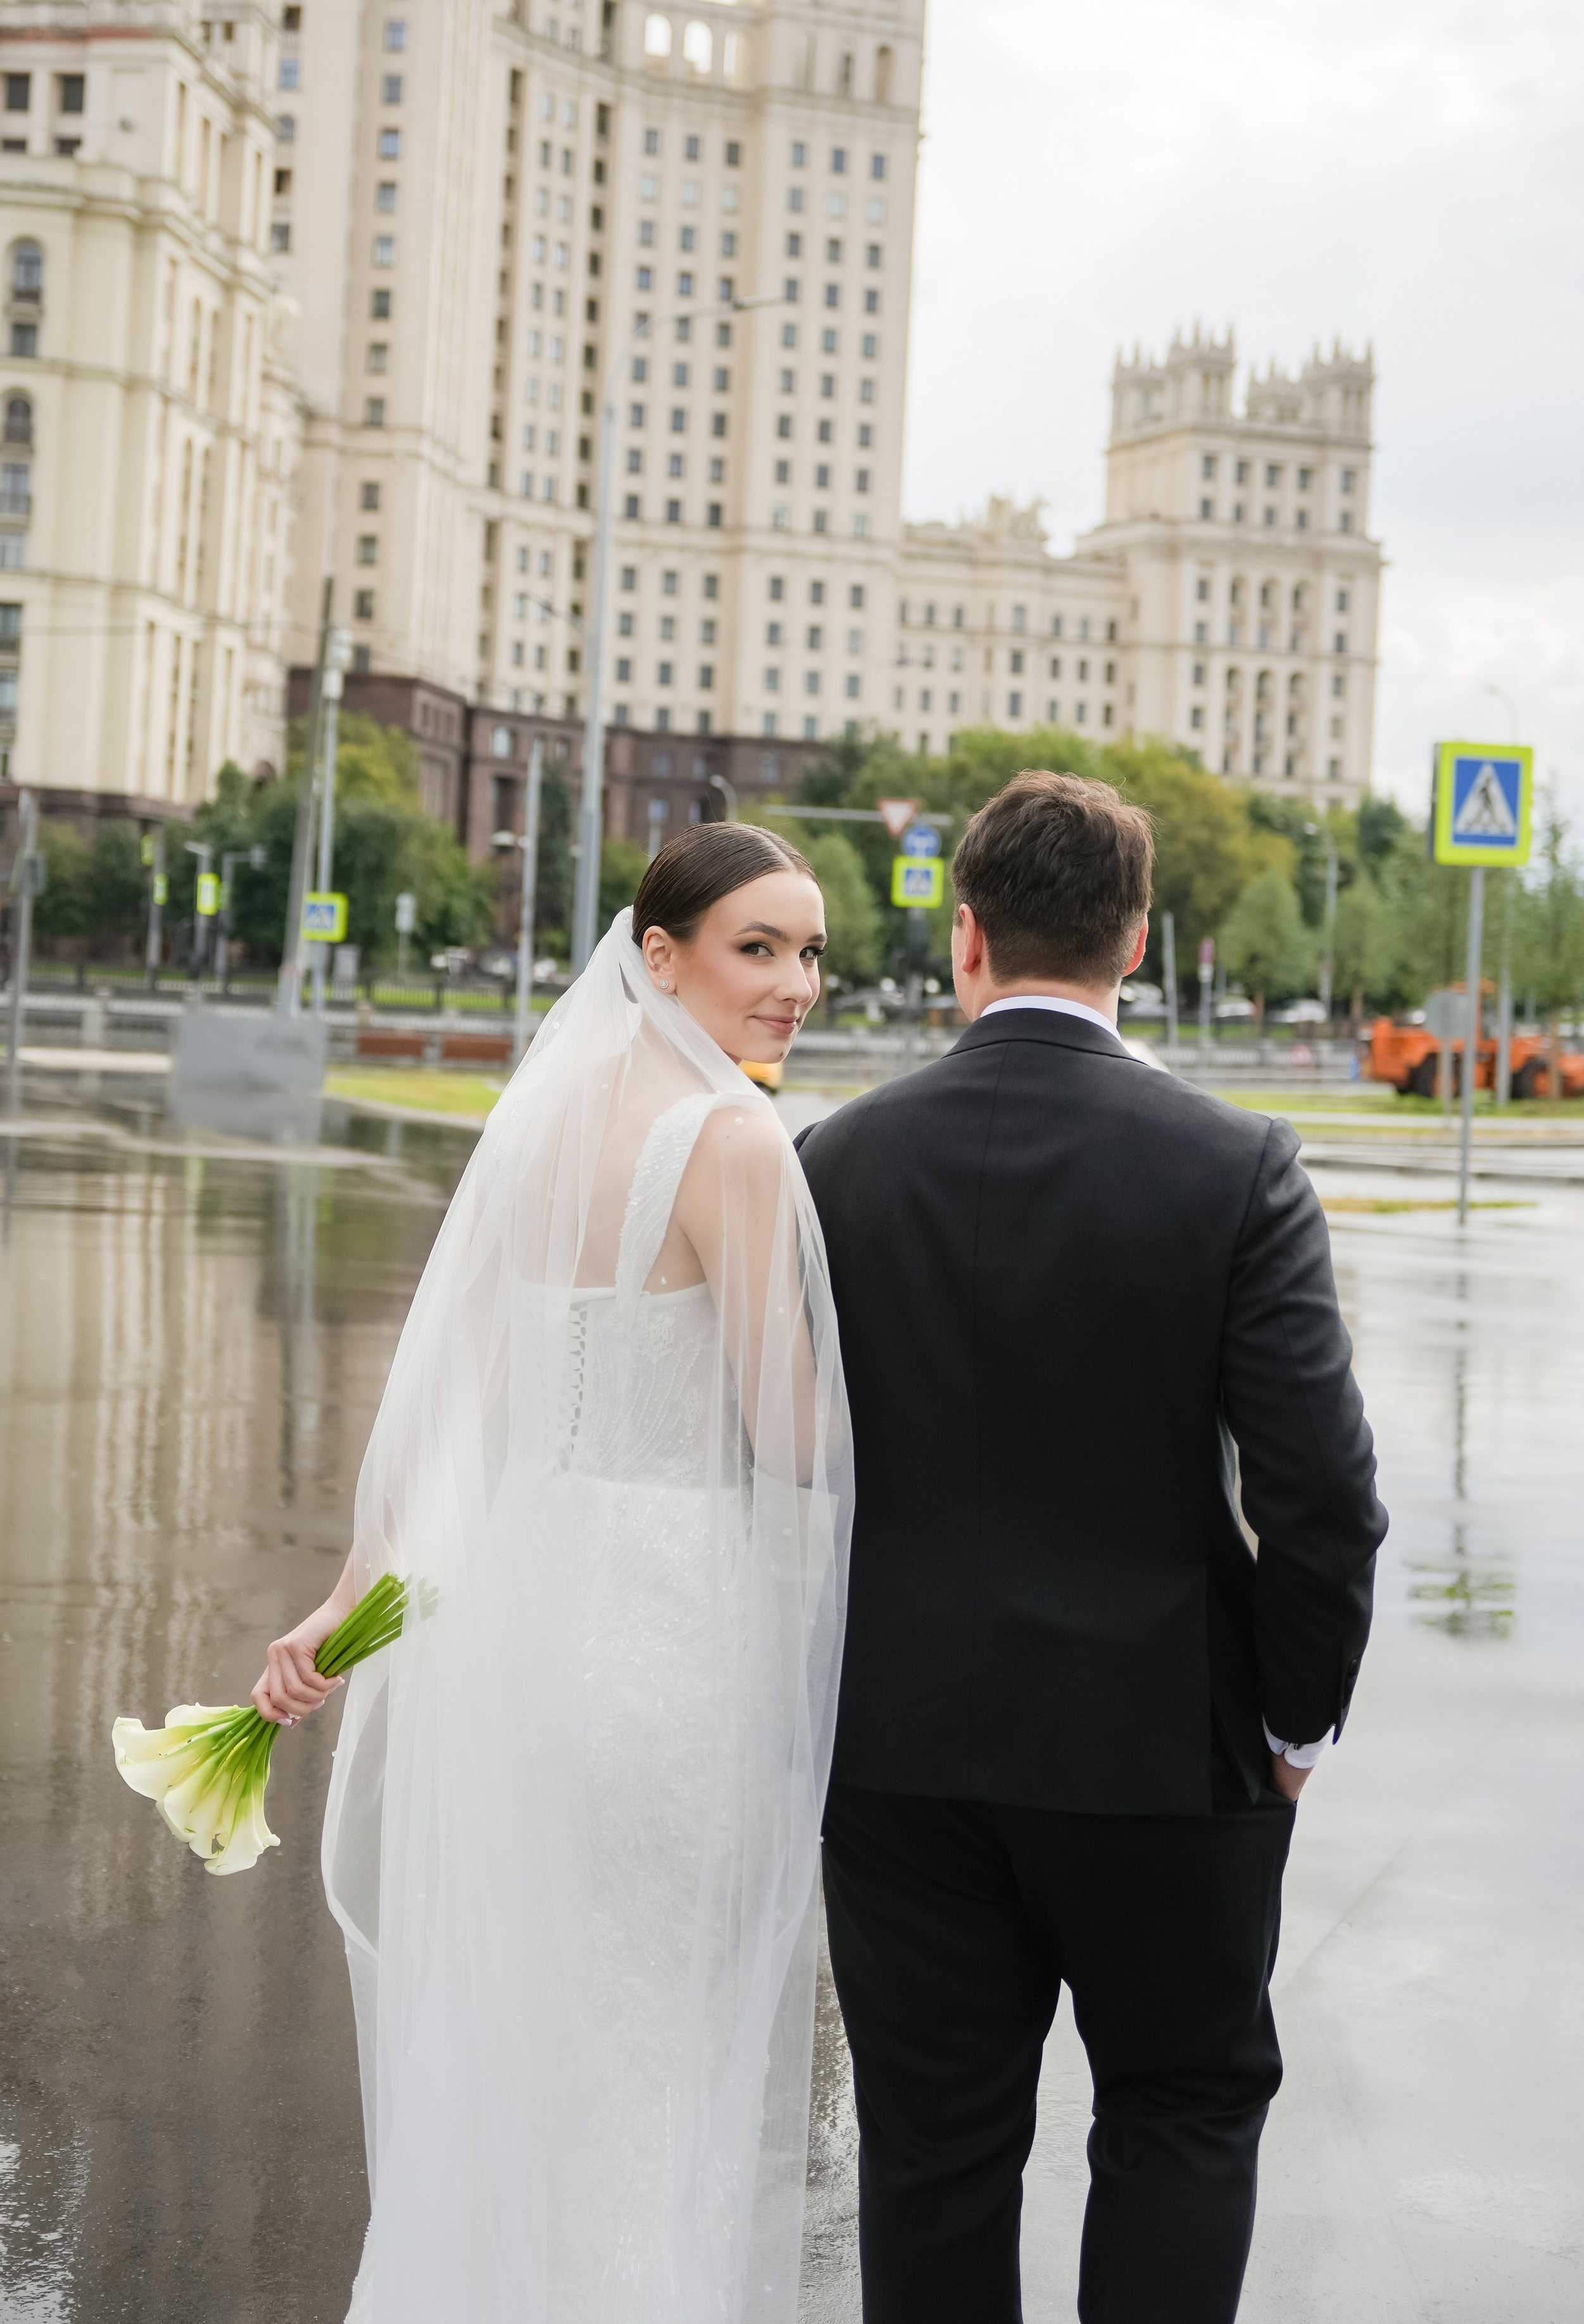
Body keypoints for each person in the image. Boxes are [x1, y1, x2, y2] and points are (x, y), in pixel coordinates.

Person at [795, 771, 1386, 2324]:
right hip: (1162, 1752)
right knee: (1181, 2115)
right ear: (1136, 942)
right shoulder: (1234, 1164)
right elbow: (1321, 1489)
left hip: (899, 1754)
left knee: (929, 2154)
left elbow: (776, 1466)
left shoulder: (832, 1165)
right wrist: (1291, 1718)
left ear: (962, 935)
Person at [254, 825, 852, 2324]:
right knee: (648, 2038)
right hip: (664, 1626)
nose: (796, 983)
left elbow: (441, 1397)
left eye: (812, 950)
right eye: (757, 948)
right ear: (660, 956)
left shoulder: (541, 1118)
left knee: (528, 2021)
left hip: (520, 1607)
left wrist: (351, 1593)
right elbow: (792, 1436)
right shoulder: (731, 1141)